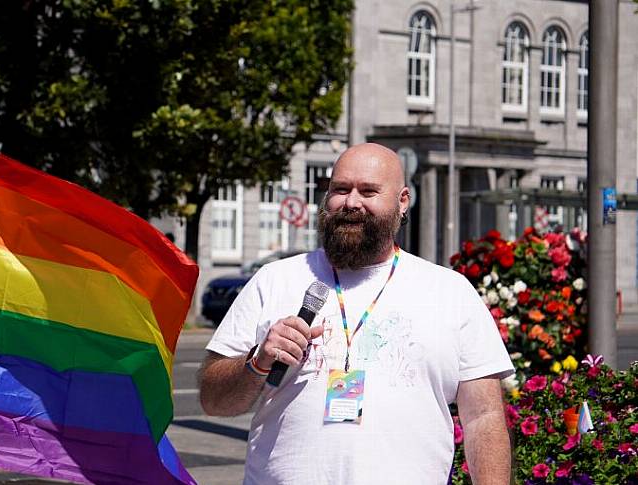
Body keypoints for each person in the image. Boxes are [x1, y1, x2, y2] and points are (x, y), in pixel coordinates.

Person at [198, 143, 513, 484]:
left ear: (402, 201)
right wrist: (257, 361)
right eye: (340, 190)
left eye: (368, 191)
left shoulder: (450, 292)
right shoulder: (274, 281)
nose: (350, 203)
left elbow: (484, 417)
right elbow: (214, 401)